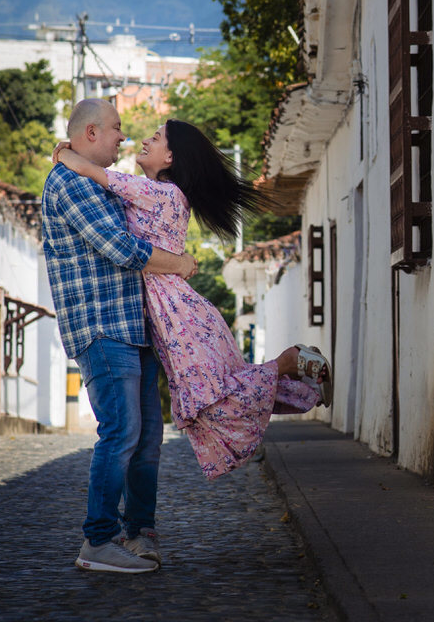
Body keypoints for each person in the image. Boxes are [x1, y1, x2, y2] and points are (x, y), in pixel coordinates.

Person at [53, 118, 332, 485]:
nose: (143, 141)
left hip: (177, 314)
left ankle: (290, 362)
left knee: (210, 399)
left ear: (170, 156)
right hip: (172, 314)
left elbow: (94, 172)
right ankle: (304, 382)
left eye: (155, 139)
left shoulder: (163, 193)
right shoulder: (156, 191)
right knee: (215, 392)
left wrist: (65, 153)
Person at [42, 98, 199, 575]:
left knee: (147, 436)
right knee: (122, 431)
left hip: (135, 327)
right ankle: (99, 540)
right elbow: (122, 248)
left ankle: (139, 532)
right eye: (115, 129)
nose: (123, 138)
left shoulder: (98, 182)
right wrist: (183, 265)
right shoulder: (71, 183)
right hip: (102, 327)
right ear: (90, 133)